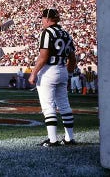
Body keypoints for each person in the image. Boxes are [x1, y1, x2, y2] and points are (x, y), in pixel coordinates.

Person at [28, 8, 77, 147]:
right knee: (64, 105)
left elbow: (43, 57)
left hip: (49, 70)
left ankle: (53, 139)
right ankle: (69, 138)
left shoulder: (47, 33)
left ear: (48, 19)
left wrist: (33, 73)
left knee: (48, 106)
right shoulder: (66, 34)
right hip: (62, 69)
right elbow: (73, 59)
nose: (42, 21)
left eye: (43, 19)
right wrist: (68, 74)